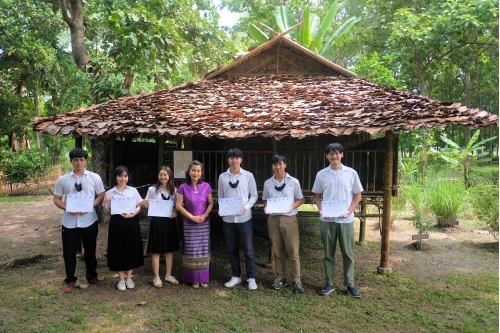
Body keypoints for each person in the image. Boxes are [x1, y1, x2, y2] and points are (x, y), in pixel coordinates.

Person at [312, 143, 363, 298]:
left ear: (342, 155)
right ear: (327, 156)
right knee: (328, 253)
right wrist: (321, 210)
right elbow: (317, 195)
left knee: (348, 253)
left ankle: (350, 284)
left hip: (345, 220)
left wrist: (349, 211)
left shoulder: (351, 173)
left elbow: (358, 195)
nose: (334, 156)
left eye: (336, 153)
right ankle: (329, 283)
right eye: (330, 154)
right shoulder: (321, 174)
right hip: (327, 220)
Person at [53, 148, 106, 293]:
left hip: (89, 220)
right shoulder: (63, 179)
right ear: (71, 161)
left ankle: (92, 276)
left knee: (90, 250)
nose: (79, 163)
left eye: (82, 160)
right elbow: (56, 199)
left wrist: (90, 206)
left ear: (86, 161)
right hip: (69, 221)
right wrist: (66, 208)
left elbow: (101, 195)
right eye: (76, 160)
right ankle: (70, 280)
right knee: (69, 252)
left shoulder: (94, 178)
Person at [262, 155, 305, 293]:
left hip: (289, 219)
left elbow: (300, 199)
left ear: (285, 165)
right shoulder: (268, 183)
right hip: (273, 219)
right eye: (275, 164)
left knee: (293, 250)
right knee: (278, 250)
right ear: (272, 166)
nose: (278, 167)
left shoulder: (294, 182)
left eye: (280, 164)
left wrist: (292, 207)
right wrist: (266, 207)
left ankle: (296, 280)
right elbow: (265, 200)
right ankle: (281, 277)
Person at [218, 148, 258, 290]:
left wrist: (245, 207)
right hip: (228, 219)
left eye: (237, 158)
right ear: (228, 160)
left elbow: (254, 195)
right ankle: (236, 276)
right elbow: (221, 197)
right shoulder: (222, 177)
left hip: (244, 218)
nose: (234, 160)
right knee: (231, 249)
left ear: (241, 160)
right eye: (231, 158)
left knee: (248, 249)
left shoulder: (248, 176)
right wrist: (222, 209)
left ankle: (251, 277)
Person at [103, 166, 144, 291]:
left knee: (130, 247)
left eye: (125, 176)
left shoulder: (133, 191)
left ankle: (129, 277)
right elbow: (107, 212)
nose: (123, 178)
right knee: (118, 248)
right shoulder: (110, 192)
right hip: (117, 223)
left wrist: (133, 214)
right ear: (115, 177)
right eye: (120, 176)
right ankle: (121, 279)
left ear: (128, 177)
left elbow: (140, 206)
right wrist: (105, 201)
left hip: (131, 222)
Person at [176, 160, 214, 288]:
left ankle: (203, 278)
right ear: (189, 172)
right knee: (192, 250)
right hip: (189, 223)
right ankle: (193, 279)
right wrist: (191, 217)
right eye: (193, 170)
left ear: (201, 172)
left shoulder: (206, 186)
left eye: (198, 170)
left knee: (203, 250)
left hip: (203, 223)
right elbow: (178, 205)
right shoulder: (182, 187)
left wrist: (204, 215)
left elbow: (211, 203)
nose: (196, 173)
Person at [142, 166, 180, 288]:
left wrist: (175, 212)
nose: (163, 177)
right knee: (156, 250)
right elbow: (146, 204)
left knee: (169, 250)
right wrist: (146, 203)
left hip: (169, 222)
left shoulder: (174, 190)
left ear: (169, 176)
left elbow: (177, 206)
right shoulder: (153, 190)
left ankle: (168, 275)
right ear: (158, 176)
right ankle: (156, 277)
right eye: (161, 174)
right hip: (157, 222)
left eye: (165, 175)